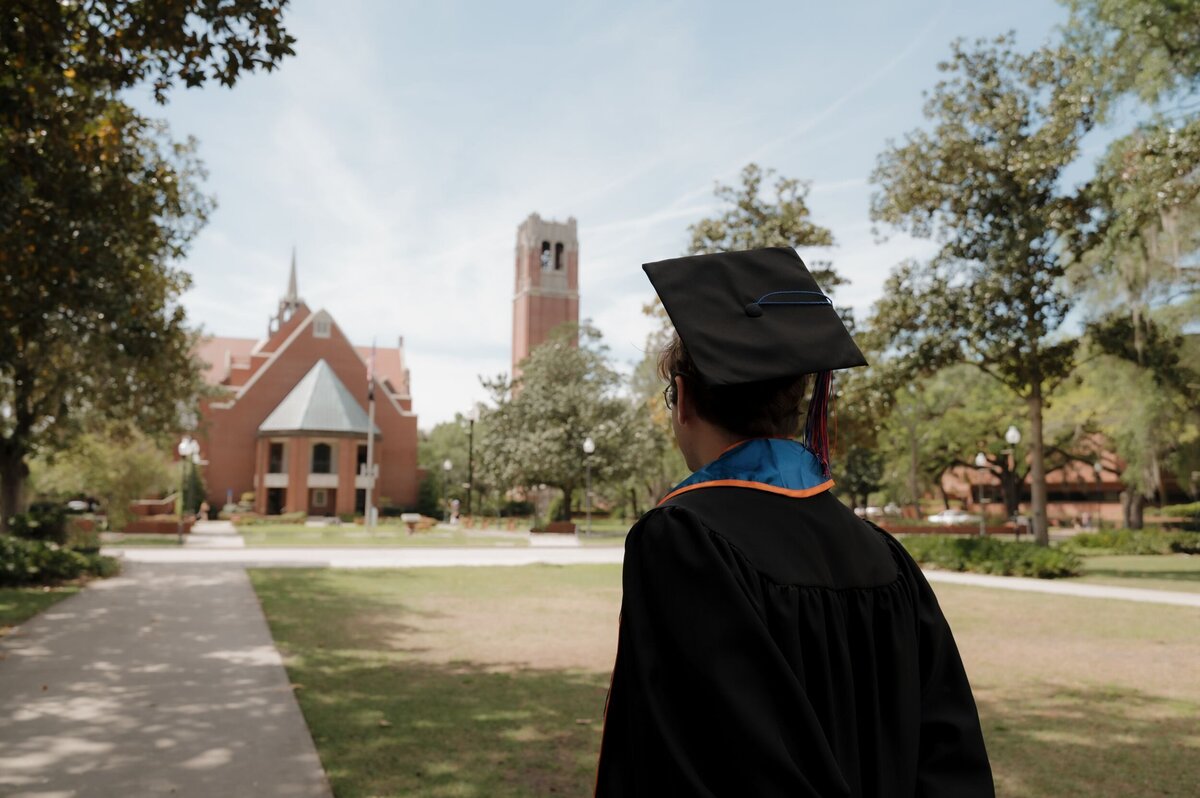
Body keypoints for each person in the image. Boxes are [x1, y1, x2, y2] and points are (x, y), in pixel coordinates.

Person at [594, 247, 993, 797]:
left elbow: (696, 767)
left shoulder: (683, 540)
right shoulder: (884, 555)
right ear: (799, 403)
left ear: (682, 400)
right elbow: (952, 761)